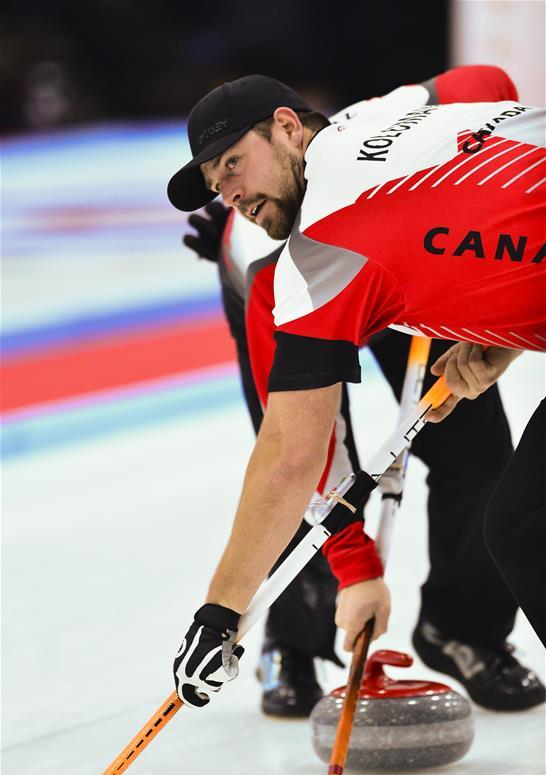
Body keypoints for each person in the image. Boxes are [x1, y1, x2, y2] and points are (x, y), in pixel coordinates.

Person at [167, 69, 545, 710]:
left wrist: (215, 613)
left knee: (488, 472)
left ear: (289, 126)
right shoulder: (278, 272)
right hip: (351, 266)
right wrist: (357, 569)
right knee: (512, 519)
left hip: (381, 246)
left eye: (233, 163)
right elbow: (298, 453)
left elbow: (289, 459)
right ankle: (295, 630)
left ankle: (459, 627)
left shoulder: (320, 240)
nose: (228, 192)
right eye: (215, 184)